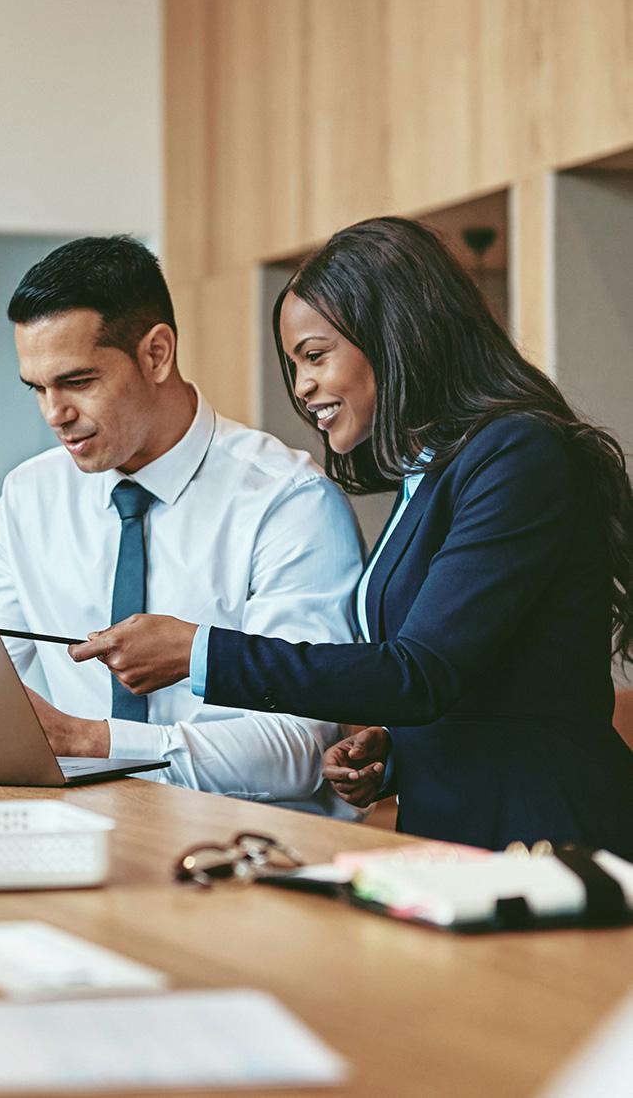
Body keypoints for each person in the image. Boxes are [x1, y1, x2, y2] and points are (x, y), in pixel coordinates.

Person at [72, 217, 633, 856]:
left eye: (315, 355)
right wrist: (393, 753)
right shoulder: (430, 471)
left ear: (397, 337)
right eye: (295, 364)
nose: (303, 386)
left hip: (549, 835)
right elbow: (473, 681)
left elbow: (421, 672)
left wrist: (199, 652)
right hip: (460, 836)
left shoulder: (516, 453)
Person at [0, 235, 365, 814]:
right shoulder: (29, 495)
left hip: (246, 855)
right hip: (77, 836)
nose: (56, 415)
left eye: (77, 382)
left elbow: (300, 749)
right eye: (38, 389)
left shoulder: (288, 502)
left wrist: (92, 742)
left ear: (156, 353)